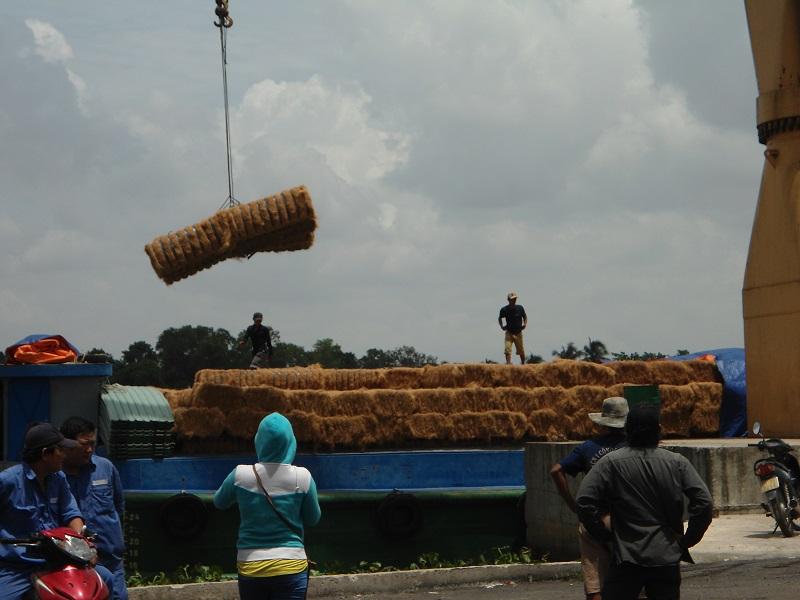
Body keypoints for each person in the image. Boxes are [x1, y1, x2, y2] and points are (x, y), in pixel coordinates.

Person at [576, 405, 714, 600]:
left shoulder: (610, 462)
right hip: (666, 557)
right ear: (659, 429)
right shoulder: (677, 462)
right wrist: (688, 539)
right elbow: (704, 502)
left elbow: (584, 500)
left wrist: (603, 534)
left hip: (627, 557)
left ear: (628, 430)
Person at [0, 422, 115, 600]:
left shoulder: (58, 478)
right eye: (61, 450)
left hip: (58, 561)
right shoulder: (8, 481)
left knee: (106, 579)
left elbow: (71, 513)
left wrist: (84, 546)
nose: (65, 455)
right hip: (18, 568)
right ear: (45, 454)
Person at [214, 412, 321, 600]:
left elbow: (219, 502)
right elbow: (313, 519)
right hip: (291, 565)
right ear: (290, 442)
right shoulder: (303, 477)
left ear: (259, 441)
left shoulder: (240, 475)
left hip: (251, 565)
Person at [550, 396, 629, 600]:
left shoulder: (588, 447)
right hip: (630, 519)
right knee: (635, 583)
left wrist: (573, 505)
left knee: (596, 586)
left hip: (595, 518)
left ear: (603, 422)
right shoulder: (635, 447)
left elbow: (556, 470)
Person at [60, 417, 127, 600]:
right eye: (84, 444)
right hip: (74, 561)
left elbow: (119, 505)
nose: (89, 449)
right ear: (67, 444)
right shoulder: (56, 476)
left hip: (110, 557)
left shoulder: (105, 468)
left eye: (92, 444)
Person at [498, 292, 527, 364]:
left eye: (515, 299)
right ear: (508, 300)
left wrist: (525, 324)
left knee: (521, 350)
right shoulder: (504, 309)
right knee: (507, 349)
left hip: (518, 332)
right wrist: (502, 326)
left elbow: (525, 316)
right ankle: (508, 364)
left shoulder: (520, 308)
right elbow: (500, 318)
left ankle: (523, 364)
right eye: (512, 299)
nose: (514, 300)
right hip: (509, 332)